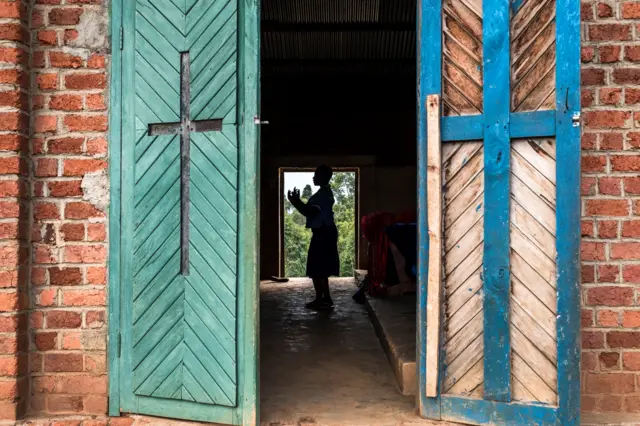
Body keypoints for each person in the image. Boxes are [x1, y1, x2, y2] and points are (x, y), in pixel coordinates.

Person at [287, 165, 340, 310]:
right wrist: (297, 202)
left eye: (316, 175)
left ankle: (323, 299)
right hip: (323, 233)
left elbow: (310, 211)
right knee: (318, 268)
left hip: (324, 234)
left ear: (323, 177)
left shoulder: (323, 195)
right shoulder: (323, 193)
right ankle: (324, 298)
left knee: (318, 268)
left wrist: (295, 202)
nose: (313, 177)